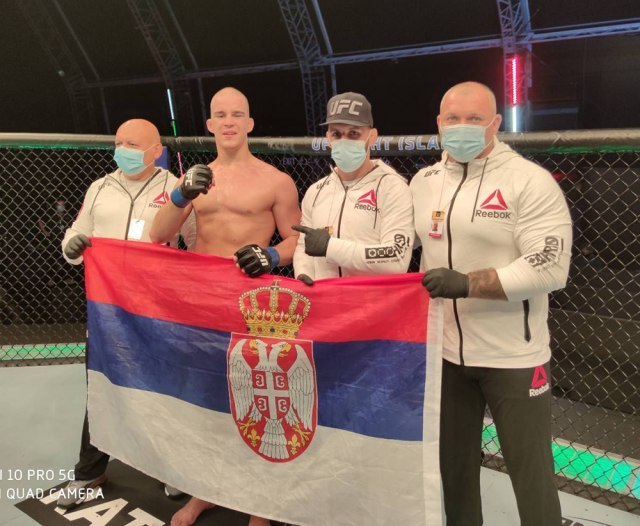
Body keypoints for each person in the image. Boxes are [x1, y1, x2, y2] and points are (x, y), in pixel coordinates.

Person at [410, 81, 572, 525]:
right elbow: (400, 246)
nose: (462, 126)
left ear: (496, 123)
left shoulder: (528, 180)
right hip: (446, 352)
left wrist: (467, 284)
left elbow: (550, 267)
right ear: (439, 123)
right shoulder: (424, 182)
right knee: (454, 469)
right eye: (453, 118)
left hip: (513, 357)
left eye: (475, 118)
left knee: (531, 473)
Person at [149, 86, 301, 526]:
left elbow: (297, 239)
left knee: (257, 401)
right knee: (207, 400)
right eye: (221, 114)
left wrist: (271, 255)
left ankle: (260, 503)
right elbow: (159, 234)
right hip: (201, 303)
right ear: (210, 124)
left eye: (237, 114)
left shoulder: (276, 180)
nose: (229, 121)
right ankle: (207, 491)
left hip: (252, 305)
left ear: (249, 123)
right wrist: (181, 195)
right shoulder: (196, 178)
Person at [57, 118, 196, 509]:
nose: (123, 150)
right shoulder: (100, 187)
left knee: (161, 391)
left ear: (155, 150)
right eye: (119, 143)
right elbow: (75, 233)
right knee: (100, 390)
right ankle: (90, 471)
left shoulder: (174, 189)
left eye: (132, 144)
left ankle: (170, 470)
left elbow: (197, 245)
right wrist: (73, 246)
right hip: (107, 311)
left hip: (157, 312)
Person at [292, 91, 414, 282]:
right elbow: (304, 245)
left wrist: (331, 247)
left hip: (373, 299)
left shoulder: (392, 188)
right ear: (328, 137)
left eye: (353, 133)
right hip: (325, 297)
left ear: (372, 136)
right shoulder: (316, 190)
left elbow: (396, 259)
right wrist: (303, 273)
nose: (344, 140)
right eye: (337, 134)